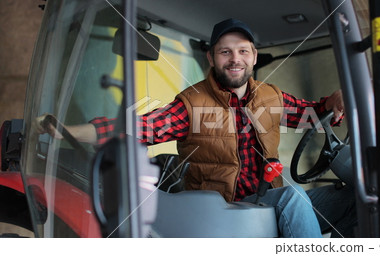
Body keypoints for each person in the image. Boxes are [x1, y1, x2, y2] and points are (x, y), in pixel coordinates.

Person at [36, 18, 356, 237]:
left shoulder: (270, 96)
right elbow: (141, 127)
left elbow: (312, 115)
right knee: (294, 197)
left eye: (243, 51)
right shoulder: (193, 103)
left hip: (266, 199)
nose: (235, 59)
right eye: (225, 51)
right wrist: (69, 131)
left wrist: (333, 103)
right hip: (223, 208)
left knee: (360, 198)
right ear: (212, 58)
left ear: (254, 57)